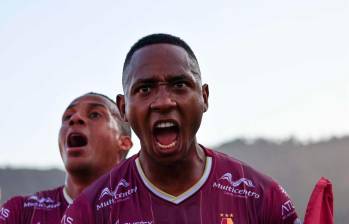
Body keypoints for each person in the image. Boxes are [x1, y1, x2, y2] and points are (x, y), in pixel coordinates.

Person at [62, 34, 302, 224]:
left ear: (204, 97)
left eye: (179, 84)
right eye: (145, 89)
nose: (164, 101)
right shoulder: (89, 211)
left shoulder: (262, 197)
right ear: (123, 108)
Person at [0, 92, 132, 224]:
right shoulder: (20, 213)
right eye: (68, 116)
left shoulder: (147, 208)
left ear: (124, 143)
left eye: (94, 114)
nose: (75, 118)